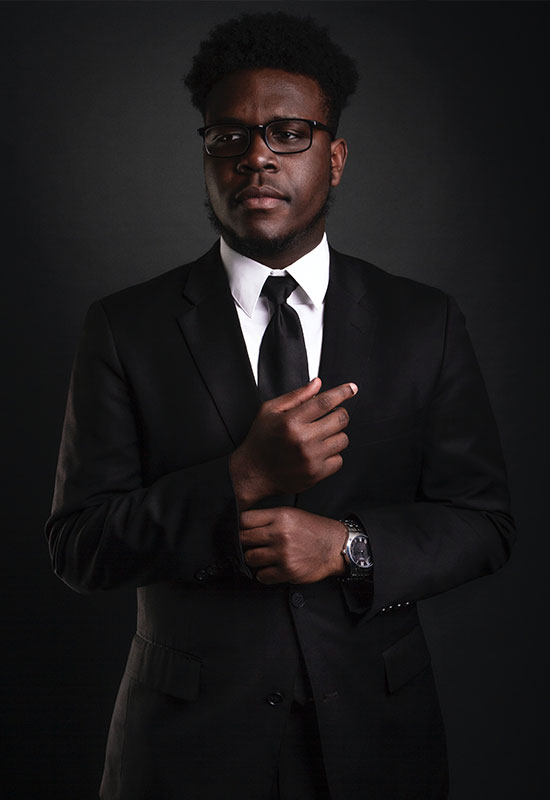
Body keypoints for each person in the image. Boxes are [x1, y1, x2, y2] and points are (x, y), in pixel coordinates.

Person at [46, 12, 515, 800]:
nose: (256, 156)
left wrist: (348, 547)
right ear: (207, 156)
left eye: (288, 133)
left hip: (377, 743)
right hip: (186, 754)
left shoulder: (423, 321)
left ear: (334, 157)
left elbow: (484, 524)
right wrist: (239, 479)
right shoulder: (125, 328)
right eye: (228, 137)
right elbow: (79, 546)